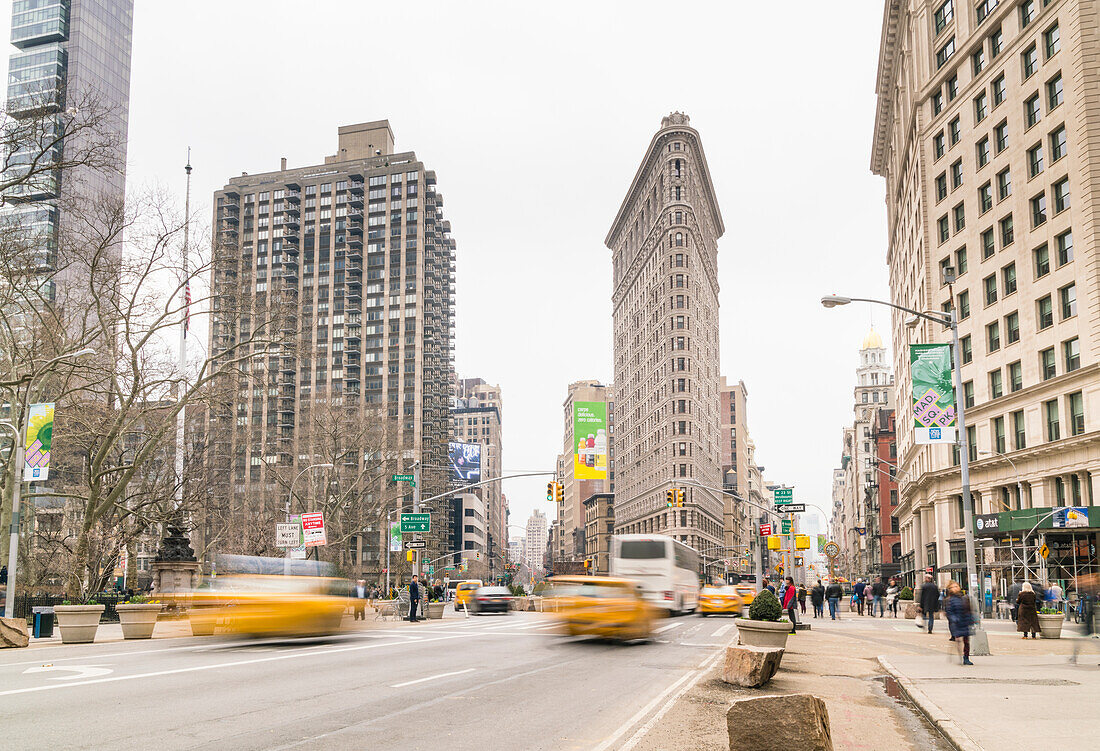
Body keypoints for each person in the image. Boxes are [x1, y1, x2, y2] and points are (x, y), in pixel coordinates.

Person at [944, 580, 974, 665]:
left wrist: (971, 619)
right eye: (953, 587)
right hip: (956, 623)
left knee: (966, 641)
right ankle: (960, 655)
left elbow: (969, 609)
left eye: (956, 586)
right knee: (958, 640)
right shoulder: (950, 600)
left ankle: (966, 657)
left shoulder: (965, 597)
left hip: (965, 621)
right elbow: (949, 612)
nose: (955, 588)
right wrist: (954, 619)